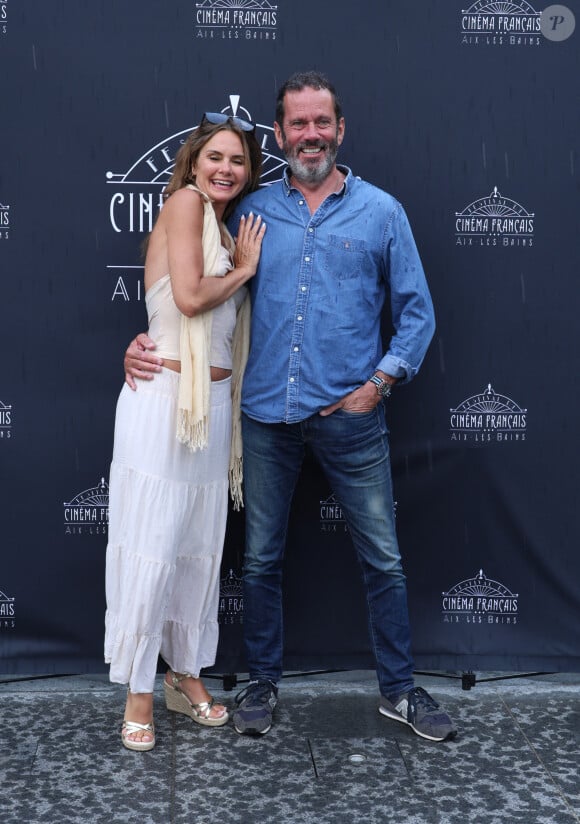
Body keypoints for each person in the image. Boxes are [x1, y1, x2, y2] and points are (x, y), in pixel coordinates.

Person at [124, 72, 457, 743]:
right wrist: (144, 343)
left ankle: (398, 690)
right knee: (260, 563)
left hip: (352, 418)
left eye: (321, 123)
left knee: (384, 561)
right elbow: (187, 292)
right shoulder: (247, 212)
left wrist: (380, 383)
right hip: (264, 417)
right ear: (279, 135)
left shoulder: (381, 212)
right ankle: (262, 683)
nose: (311, 135)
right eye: (298, 125)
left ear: (340, 130)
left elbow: (416, 314)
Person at [105, 112, 266, 751]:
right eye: (216, 158)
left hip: (215, 405)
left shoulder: (222, 228)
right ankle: (139, 690)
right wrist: (245, 271)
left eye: (238, 161)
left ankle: (186, 675)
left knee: (197, 546)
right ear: (195, 163)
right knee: (153, 543)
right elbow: (193, 298)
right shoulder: (184, 205)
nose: (226, 169)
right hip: (168, 397)